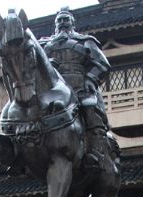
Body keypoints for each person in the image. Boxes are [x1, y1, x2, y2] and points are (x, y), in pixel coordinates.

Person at [40, 7, 113, 169]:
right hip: (51, 88)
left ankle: (95, 151)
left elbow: (102, 64)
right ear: (55, 24)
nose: (62, 23)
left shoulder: (86, 41)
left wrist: (90, 79)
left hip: (79, 85)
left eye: (66, 20)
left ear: (72, 22)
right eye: (59, 20)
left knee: (90, 107)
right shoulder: (43, 44)